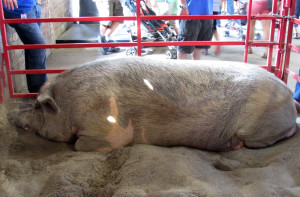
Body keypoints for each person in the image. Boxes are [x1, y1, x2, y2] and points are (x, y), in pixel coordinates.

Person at [2, 0, 47, 93]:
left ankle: (40, 90)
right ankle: (39, 92)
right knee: (39, 45)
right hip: (20, 9)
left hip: (33, 6)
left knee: (34, 49)